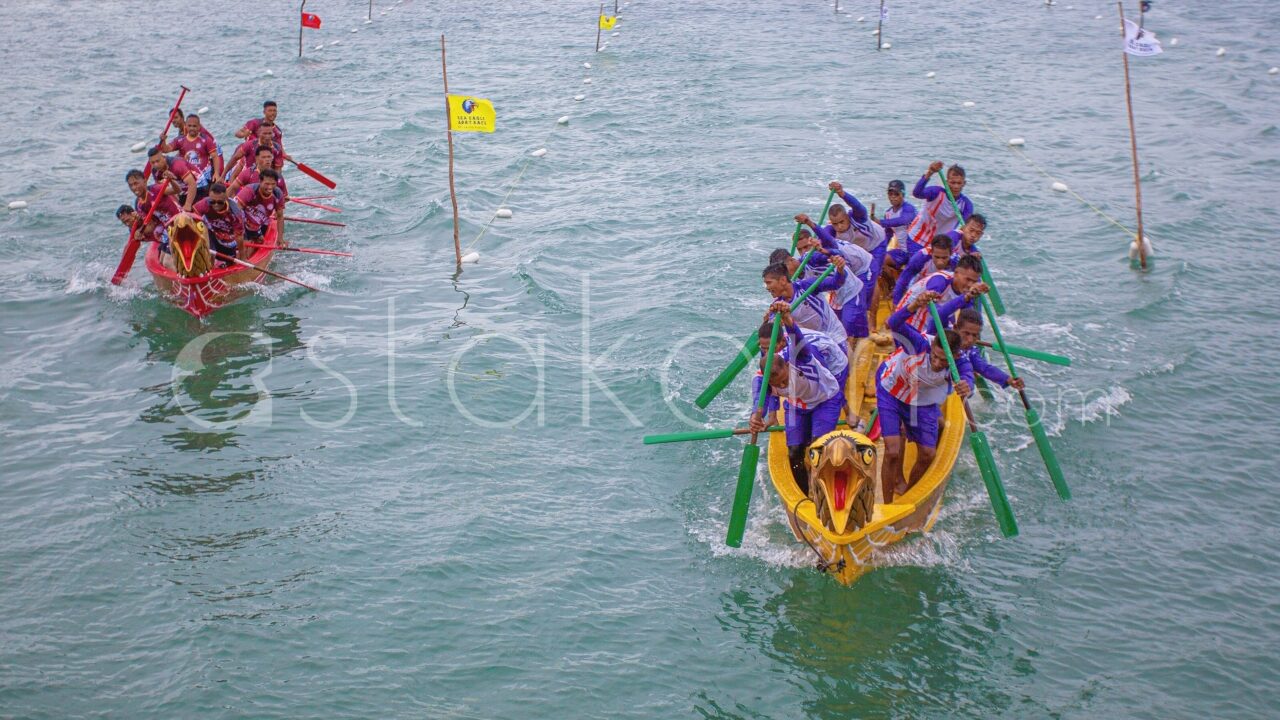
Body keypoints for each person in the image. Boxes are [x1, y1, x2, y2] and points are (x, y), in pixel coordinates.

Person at [877, 291, 969, 500]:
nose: (937, 363)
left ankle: (909, 496)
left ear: (955, 356)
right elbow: (893, 323)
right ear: (932, 347)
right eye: (935, 357)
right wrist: (915, 304)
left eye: (943, 361)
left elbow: (967, 377)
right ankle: (887, 504)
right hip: (891, 390)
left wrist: (966, 386)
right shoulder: (919, 344)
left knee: (928, 454)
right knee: (892, 451)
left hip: (921, 400)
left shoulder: (960, 362)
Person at [748, 302, 846, 494]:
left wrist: (788, 320)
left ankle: (823, 490)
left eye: (784, 381)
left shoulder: (800, 357)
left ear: (786, 366)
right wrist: (755, 417)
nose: (782, 386)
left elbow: (796, 339)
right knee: (794, 453)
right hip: (797, 405)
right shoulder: (763, 375)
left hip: (825, 399)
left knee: (818, 448)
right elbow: (760, 400)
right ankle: (805, 494)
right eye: (778, 385)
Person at [895, 161, 974, 262]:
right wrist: (930, 172)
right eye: (953, 183)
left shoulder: (966, 205)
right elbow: (917, 193)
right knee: (919, 267)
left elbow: (966, 230)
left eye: (959, 183)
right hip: (918, 239)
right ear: (946, 182)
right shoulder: (936, 192)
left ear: (964, 183)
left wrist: (971, 251)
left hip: (940, 246)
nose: (956, 187)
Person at [762, 257, 848, 345]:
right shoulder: (778, 306)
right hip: (815, 341)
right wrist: (767, 322)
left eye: (769, 283)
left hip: (835, 335)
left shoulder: (807, 286)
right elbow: (768, 334)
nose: (767, 288)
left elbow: (835, 283)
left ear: (783, 280)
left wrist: (840, 269)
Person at [894, 253, 986, 333]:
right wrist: (965, 298)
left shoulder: (966, 291)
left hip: (928, 324)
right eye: (968, 279)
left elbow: (967, 318)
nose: (970, 285)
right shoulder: (939, 281)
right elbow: (937, 314)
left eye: (974, 281)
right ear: (956, 273)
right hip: (907, 322)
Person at [952, 308, 1025, 397]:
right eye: (966, 333)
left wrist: (1008, 379)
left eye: (975, 335)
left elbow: (984, 368)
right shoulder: (942, 342)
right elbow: (941, 313)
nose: (970, 340)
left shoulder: (970, 351)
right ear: (955, 329)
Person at [160, 114, 221, 200]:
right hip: (187, 178)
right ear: (185, 126)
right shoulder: (180, 140)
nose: (192, 128)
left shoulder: (206, 139)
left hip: (203, 179)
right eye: (189, 126)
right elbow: (165, 150)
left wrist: (216, 173)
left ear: (199, 127)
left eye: (194, 126)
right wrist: (163, 140)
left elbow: (215, 156)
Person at [892, 234, 956, 304]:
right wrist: (896, 303)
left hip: (941, 295)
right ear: (931, 252)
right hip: (917, 292)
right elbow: (903, 280)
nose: (940, 262)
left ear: (951, 254)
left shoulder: (956, 262)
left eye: (944, 258)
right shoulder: (920, 258)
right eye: (937, 257)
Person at [126, 168, 181, 249]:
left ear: (145, 181)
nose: (134, 188)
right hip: (167, 228)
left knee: (167, 256)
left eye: (136, 183)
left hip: (179, 220)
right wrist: (139, 231)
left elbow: (177, 190)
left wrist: (171, 180)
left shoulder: (155, 189)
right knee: (162, 254)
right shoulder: (139, 205)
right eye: (131, 185)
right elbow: (151, 225)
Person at [192, 182, 246, 264]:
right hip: (210, 231)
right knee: (210, 253)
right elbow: (193, 218)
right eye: (212, 202)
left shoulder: (235, 213)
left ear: (226, 198)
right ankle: (208, 265)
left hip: (228, 239)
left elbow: (239, 237)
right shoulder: (205, 203)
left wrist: (243, 257)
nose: (216, 205)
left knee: (230, 261)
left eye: (220, 202)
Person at [234, 169, 286, 245]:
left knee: (260, 241)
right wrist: (242, 237)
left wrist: (280, 238)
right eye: (267, 184)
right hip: (241, 223)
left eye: (273, 184)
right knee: (244, 244)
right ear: (260, 181)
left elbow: (280, 216)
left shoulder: (278, 194)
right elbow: (235, 212)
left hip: (255, 225)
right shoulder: (249, 191)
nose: (270, 187)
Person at [146, 146, 199, 212]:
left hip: (199, 187)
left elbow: (192, 183)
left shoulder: (176, 165)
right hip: (183, 191)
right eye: (153, 163)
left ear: (164, 158)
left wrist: (188, 204)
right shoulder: (155, 171)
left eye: (157, 161)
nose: (156, 165)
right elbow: (160, 190)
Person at [874, 179, 917, 248]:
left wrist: (880, 222)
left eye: (896, 194)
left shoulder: (909, 208)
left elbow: (903, 220)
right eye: (890, 194)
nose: (893, 196)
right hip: (902, 250)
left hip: (915, 248)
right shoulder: (888, 213)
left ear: (903, 194)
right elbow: (888, 234)